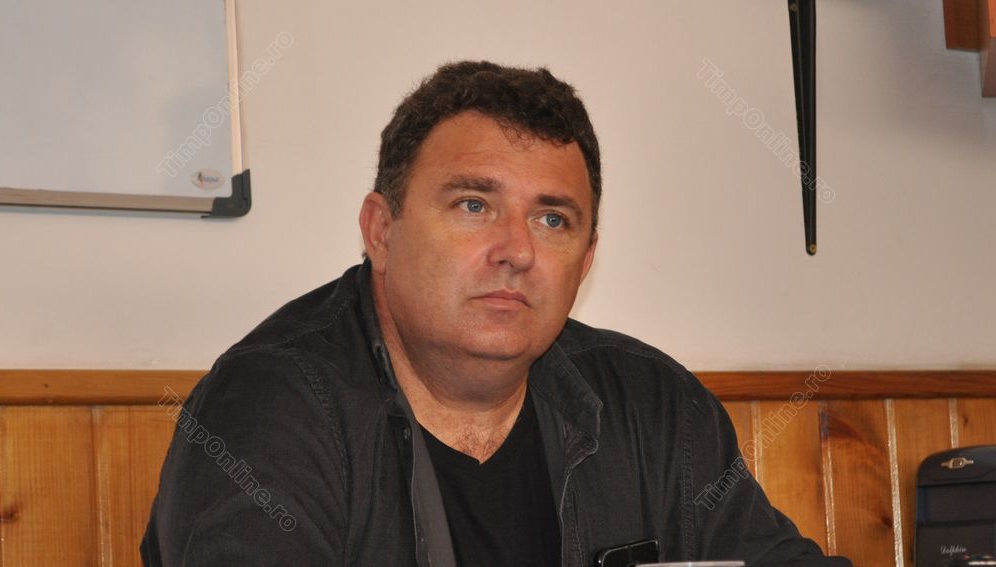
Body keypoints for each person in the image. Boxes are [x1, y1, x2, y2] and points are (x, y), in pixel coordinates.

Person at [141, 60, 851, 566]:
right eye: (474, 205)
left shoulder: (655, 407)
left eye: (552, 219)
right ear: (381, 231)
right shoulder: (270, 406)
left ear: (586, 258)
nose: (516, 250)